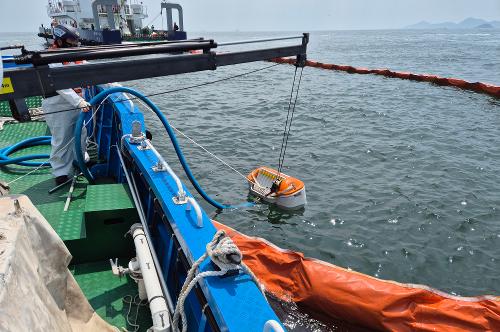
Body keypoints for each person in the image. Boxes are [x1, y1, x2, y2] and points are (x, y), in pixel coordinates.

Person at [42, 25, 91, 185]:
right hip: (58, 106)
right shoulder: (51, 59)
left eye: (75, 40)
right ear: (61, 41)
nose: (74, 43)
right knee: (62, 138)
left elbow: (90, 68)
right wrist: (79, 102)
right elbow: (60, 85)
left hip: (77, 104)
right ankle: (60, 172)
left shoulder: (74, 56)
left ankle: (80, 159)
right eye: (71, 40)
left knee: (81, 133)